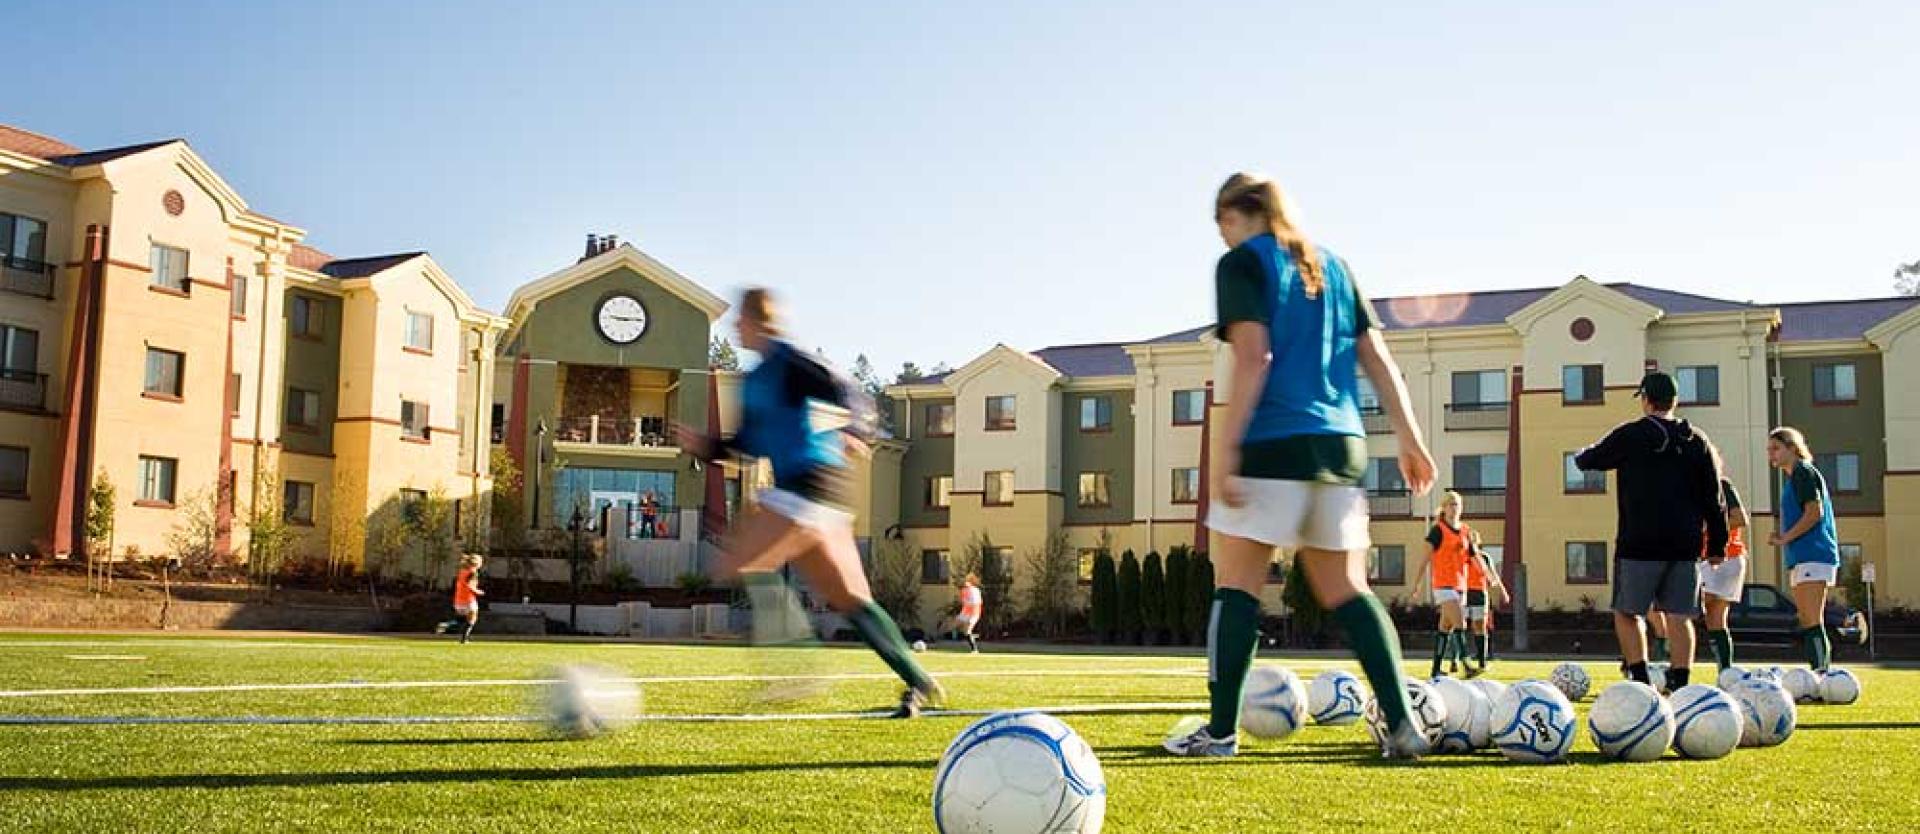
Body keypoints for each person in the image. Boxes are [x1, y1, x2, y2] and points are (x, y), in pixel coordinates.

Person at [1164, 172, 1438, 760]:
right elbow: (1378, 358)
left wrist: (1229, 447)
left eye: (1223, 222)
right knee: (1348, 589)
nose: (1222, 235)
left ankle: (1219, 734)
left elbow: (1254, 355)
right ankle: (1402, 724)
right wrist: (1410, 438)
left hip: (1273, 442)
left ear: (1242, 213)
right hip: (1341, 446)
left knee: (1235, 584)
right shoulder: (1335, 266)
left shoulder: (1240, 264)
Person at [676, 287, 943, 717]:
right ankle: (919, 680)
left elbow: (849, 393)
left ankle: (797, 667)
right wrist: (705, 447)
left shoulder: (790, 362)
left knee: (742, 563)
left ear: (760, 321)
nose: (735, 328)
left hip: (806, 487)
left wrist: (857, 430)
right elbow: (745, 443)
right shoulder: (754, 381)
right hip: (821, 497)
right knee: (851, 599)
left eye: (740, 321)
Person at [1575, 371, 1727, 693]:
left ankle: (1641, 680)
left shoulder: (1632, 434)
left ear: (1646, 400)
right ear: (1676, 401)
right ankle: (1681, 682)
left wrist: (1581, 453)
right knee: (1679, 615)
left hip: (1639, 544)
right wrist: (1717, 544)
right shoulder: (1697, 440)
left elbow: (1589, 461)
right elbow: (1714, 499)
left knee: (1628, 613)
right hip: (1684, 545)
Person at [1765, 427, 1841, 673]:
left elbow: (1814, 512)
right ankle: (1820, 670)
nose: (1771, 454)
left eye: (1776, 448)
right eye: (1769, 449)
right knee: (1807, 619)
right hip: (1801, 556)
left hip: (1814, 554)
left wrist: (1785, 537)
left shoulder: (1803, 473)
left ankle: (1822, 672)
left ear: (1792, 448)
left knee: (1812, 620)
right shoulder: (1793, 478)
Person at [1412, 491, 1474, 679]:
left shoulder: (1465, 531)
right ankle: (1465, 663)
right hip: (1443, 584)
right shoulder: (1437, 530)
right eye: (1451, 504)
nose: (1454, 508)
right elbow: (1425, 558)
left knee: (1445, 627)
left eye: (1457, 505)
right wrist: (1417, 583)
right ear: (1444, 508)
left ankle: (1436, 668)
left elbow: (1474, 556)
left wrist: (1488, 575)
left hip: (1460, 585)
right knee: (1460, 622)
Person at [1699, 449, 1750, 671]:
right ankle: (1726, 671)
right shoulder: (1695, 488)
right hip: (1725, 558)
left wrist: (1708, 527)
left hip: (1721, 558)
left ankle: (1672, 666)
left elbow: (1739, 518)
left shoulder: (1721, 485)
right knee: (1716, 618)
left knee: (1683, 610)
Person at [1463, 529, 1508, 677]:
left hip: (1479, 594)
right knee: (1459, 627)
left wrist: (1503, 592)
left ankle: (1482, 660)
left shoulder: (1484, 558)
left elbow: (1494, 576)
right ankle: (1458, 660)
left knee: (1480, 627)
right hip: (1463, 593)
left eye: (1474, 539)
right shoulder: (1461, 557)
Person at [434, 554, 485, 644]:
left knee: (460, 620)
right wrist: (477, 591)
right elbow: (469, 585)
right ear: (477, 563)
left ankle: (446, 624)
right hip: (468, 599)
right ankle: (464, 639)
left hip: (458, 600)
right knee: (472, 619)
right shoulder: (473, 572)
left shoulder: (462, 571)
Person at [953, 573, 983, 653]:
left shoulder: (975, 590)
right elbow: (964, 601)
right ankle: (956, 640)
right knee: (955, 625)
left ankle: (974, 649)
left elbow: (976, 603)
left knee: (967, 630)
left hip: (974, 612)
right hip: (966, 612)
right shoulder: (964, 590)